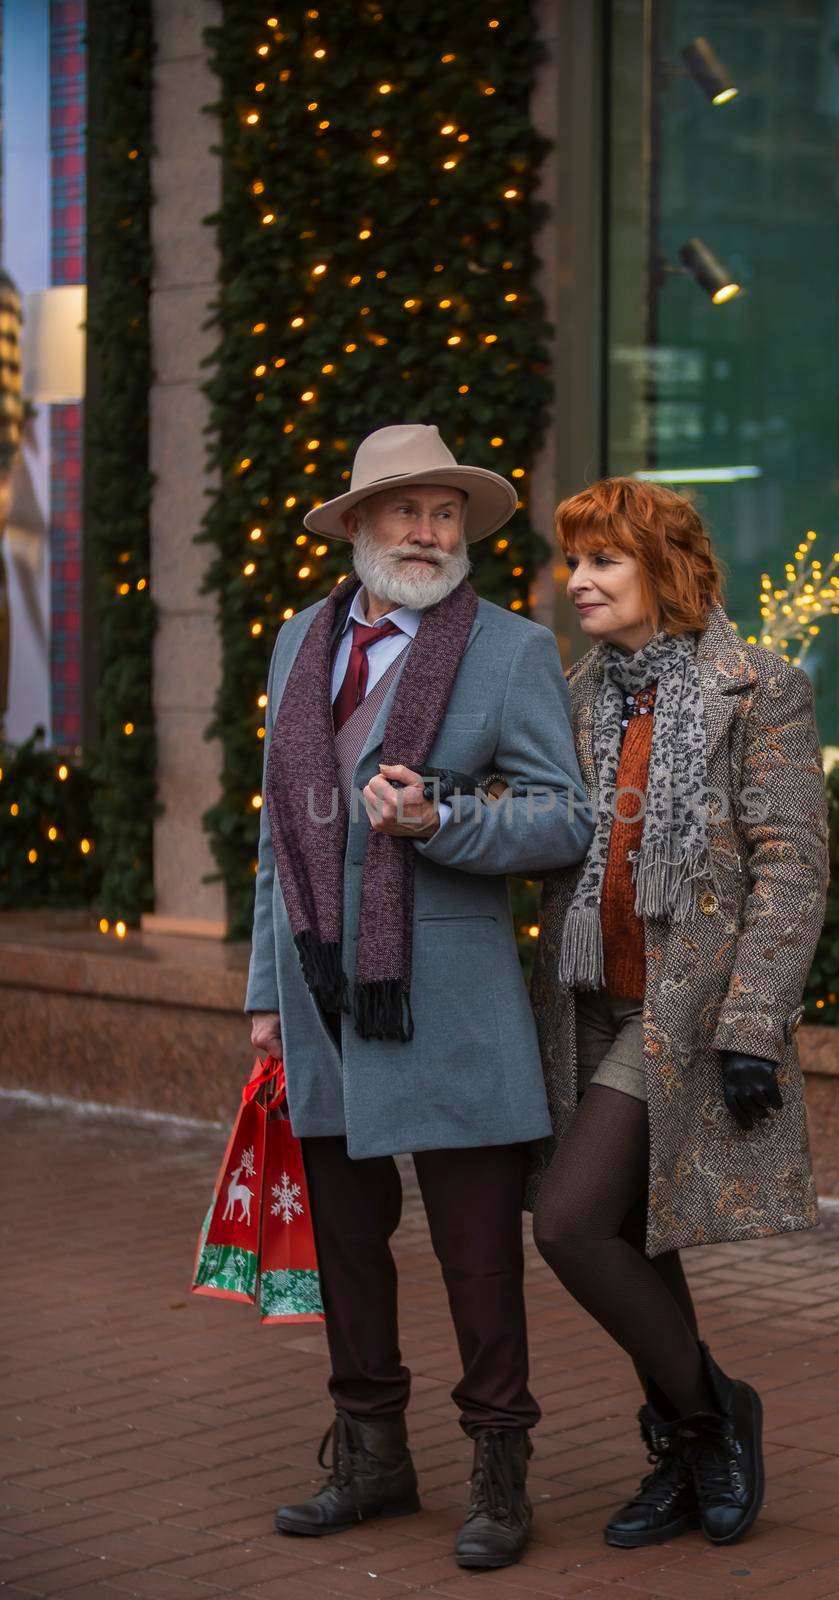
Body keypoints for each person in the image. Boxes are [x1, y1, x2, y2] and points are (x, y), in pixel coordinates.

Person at [245, 423, 592, 1571]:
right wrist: (264, 993)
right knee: (346, 1240)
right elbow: (273, 842)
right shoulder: (298, 639)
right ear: (356, 526)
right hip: (324, 990)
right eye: (405, 511)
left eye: (445, 513)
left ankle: (499, 1468)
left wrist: (443, 821)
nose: (429, 532)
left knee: (478, 1253)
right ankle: (372, 1455)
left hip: (447, 994)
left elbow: (565, 819)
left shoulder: (509, 650)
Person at [528, 476, 829, 1550]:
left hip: (681, 1013)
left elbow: (789, 866)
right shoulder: (567, 691)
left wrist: (750, 1020)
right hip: (584, 1005)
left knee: (565, 1222)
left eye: (602, 560)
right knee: (618, 1227)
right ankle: (688, 1442)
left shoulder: (760, 689)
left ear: (665, 569)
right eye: (572, 562)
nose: (578, 583)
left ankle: (710, 1411)